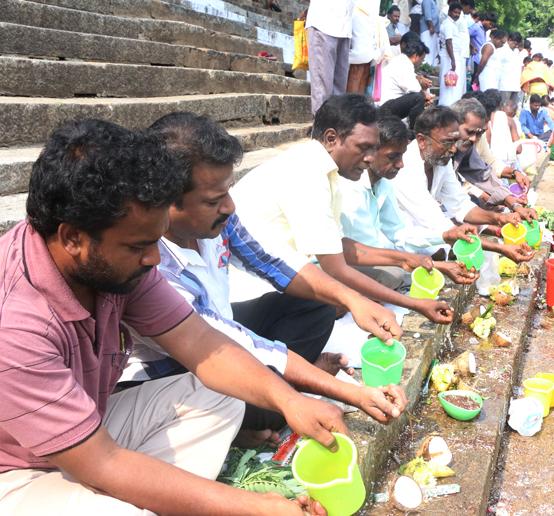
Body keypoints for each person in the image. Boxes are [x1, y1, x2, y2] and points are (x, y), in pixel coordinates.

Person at [0, 119, 360, 516]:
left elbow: (199, 342)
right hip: (1, 471)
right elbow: (102, 463)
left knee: (217, 395)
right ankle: (139, 511)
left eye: (155, 241)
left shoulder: (109, 261)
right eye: (139, 246)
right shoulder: (3, 325)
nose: (155, 260)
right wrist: (261, 507)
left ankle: (145, 507)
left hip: (85, 431)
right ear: (72, 238)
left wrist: (290, 401)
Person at [122, 112, 409, 445]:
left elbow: (271, 261)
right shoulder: (148, 264)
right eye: (215, 200)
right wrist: (347, 391)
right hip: (182, 369)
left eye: (228, 192)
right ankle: (271, 404)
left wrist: (351, 299)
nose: (229, 207)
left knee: (314, 305)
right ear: (167, 203)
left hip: (220, 330)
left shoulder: (219, 218)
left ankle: (291, 384)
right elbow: (218, 341)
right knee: (243, 399)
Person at [232, 93, 455, 324]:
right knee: (333, 306)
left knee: (360, 293)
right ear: (331, 138)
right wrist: (415, 304)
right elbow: (336, 267)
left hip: (285, 271)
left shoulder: (325, 170)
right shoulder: (307, 174)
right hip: (251, 285)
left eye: (374, 148)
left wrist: (404, 259)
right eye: (364, 147)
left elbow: (339, 245)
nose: (370, 158)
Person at [340, 112, 481, 281]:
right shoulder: (352, 186)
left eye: (402, 155)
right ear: (371, 152)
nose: (401, 164)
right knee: (394, 276)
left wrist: (446, 236)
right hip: (341, 263)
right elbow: (365, 249)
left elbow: (401, 233)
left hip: (369, 254)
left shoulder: (383, 183)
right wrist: (431, 265)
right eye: (393, 157)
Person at [391, 105, 536, 264]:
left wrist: (499, 218)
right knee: (438, 252)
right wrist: (501, 248)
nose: (453, 149)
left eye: (455, 141)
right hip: (398, 235)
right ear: (422, 141)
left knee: (456, 233)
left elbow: (460, 205)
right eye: (447, 143)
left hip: (428, 223)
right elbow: (438, 224)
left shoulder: (441, 160)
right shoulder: (405, 169)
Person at [451, 98, 538, 219]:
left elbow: (484, 171)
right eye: (469, 132)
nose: (473, 138)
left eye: (487, 123)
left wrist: (514, 203)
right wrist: (498, 215)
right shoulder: (455, 144)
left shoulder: (468, 143)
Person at [464, 91, 532, 192]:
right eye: (484, 123)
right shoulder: (454, 143)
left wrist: (515, 173)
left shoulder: (480, 136)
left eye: (488, 122)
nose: (486, 127)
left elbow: (491, 161)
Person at [304, 1, 354, 115]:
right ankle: (320, 130)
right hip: (324, 22)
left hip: (345, 27)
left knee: (339, 91)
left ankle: (334, 127)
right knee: (322, 89)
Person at [380, 40, 433, 128]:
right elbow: (414, 89)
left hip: (388, 106)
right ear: (415, 55)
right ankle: (414, 135)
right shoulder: (404, 63)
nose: (421, 62)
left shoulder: (401, 60)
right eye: (422, 59)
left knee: (418, 99)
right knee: (417, 97)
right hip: (384, 108)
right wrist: (425, 96)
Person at [347, 0, 385, 94]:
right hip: (358, 11)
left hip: (372, 16)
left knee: (366, 69)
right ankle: (348, 106)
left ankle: (358, 106)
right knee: (358, 66)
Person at [438, 2, 464, 106]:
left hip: (453, 56)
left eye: (459, 13)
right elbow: (448, 42)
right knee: (448, 84)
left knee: (453, 83)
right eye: (455, 12)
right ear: (449, 12)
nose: (457, 14)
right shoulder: (448, 23)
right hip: (449, 57)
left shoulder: (452, 23)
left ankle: (451, 105)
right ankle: (446, 105)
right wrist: (453, 60)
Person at [489, 97, 523, 164]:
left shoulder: (488, 120)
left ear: (514, 115)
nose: (506, 116)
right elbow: (519, 149)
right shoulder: (510, 121)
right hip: (504, 161)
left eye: (509, 115)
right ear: (500, 107)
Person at [498, 31, 523, 105]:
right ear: (510, 40)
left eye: (518, 44)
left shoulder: (516, 51)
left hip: (515, 85)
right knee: (504, 107)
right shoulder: (501, 50)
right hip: (504, 86)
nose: (516, 46)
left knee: (512, 109)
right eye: (515, 44)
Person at [419, 0, 440, 67]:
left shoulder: (433, 2)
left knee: (432, 51)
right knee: (426, 49)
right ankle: (424, 68)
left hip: (433, 30)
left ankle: (429, 68)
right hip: (427, 29)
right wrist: (431, 26)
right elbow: (427, 14)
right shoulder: (427, 0)